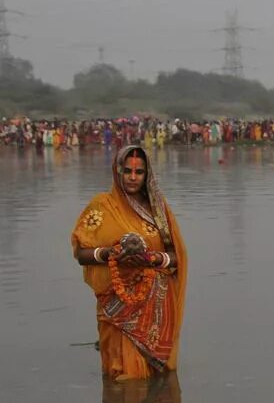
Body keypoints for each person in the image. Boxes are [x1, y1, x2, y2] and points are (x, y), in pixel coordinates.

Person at [70, 146, 188, 380]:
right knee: (119, 375)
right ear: (118, 172)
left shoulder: (157, 209)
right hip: (116, 304)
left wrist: (151, 258)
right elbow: (81, 252)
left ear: (147, 175)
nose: (133, 177)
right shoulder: (102, 206)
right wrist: (109, 254)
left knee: (153, 378)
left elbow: (176, 257)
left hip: (154, 306)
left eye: (139, 172)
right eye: (127, 171)